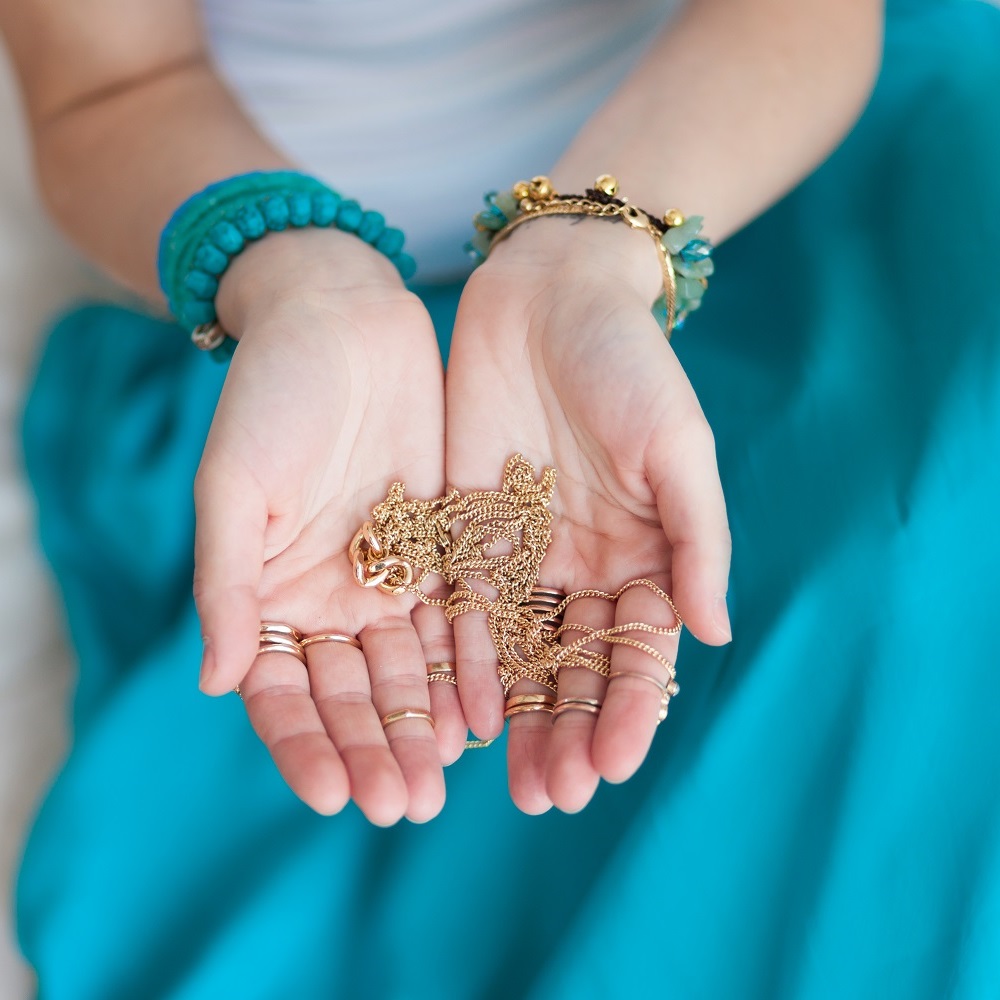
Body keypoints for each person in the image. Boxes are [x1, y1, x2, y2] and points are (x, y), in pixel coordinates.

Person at [3, 0, 1000, 996]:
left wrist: (591, 257)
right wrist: (290, 276)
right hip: (277, 291)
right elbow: (110, 86)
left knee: (934, 546)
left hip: (740, 154)